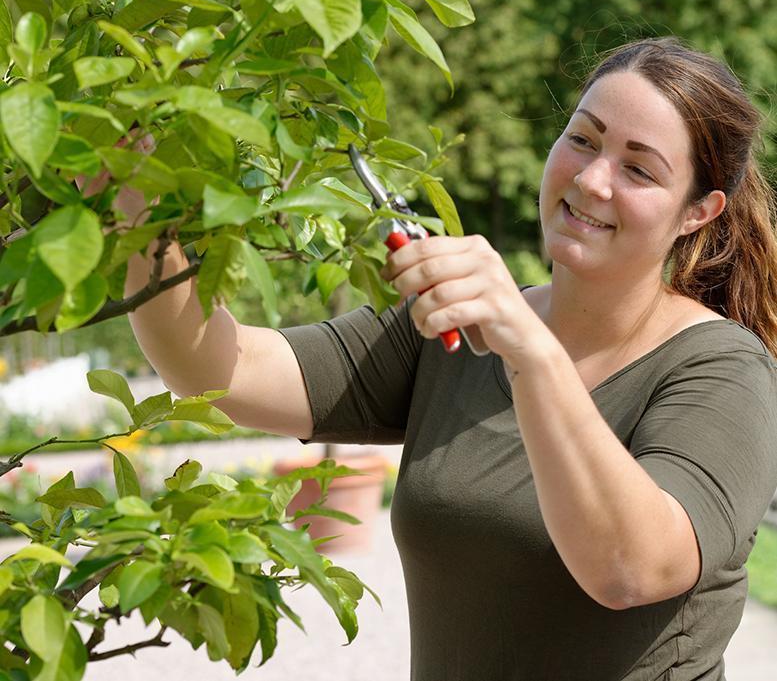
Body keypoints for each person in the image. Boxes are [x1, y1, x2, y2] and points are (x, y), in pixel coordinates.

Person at [122, 37, 777, 681]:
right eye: (582, 138)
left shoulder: (722, 369)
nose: (590, 178)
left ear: (698, 210)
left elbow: (629, 568)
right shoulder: (455, 322)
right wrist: (135, 196)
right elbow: (220, 372)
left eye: (637, 168)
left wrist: (528, 348)